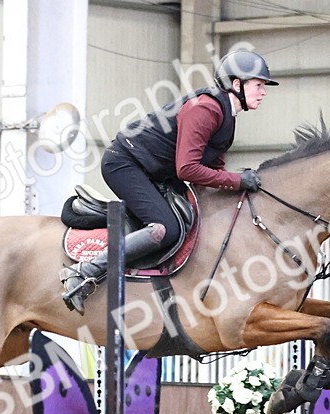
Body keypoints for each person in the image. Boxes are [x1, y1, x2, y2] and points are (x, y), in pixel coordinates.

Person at [62, 49, 279, 314]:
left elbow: (214, 168)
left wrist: (236, 188)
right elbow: (188, 169)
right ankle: (83, 273)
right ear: (236, 84)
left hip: (155, 172)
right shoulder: (206, 109)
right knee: (165, 229)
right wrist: (237, 180)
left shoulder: (228, 116)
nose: (263, 91)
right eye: (258, 85)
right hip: (124, 164)